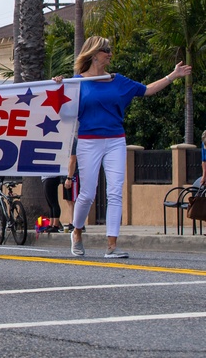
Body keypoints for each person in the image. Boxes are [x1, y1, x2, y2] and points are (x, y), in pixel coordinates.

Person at [58, 35, 191, 258]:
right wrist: (59, 88)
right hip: (88, 142)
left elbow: (146, 90)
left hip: (116, 141)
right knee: (88, 194)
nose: (109, 53)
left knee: (114, 192)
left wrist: (173, 75)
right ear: (93, 54)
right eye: (105, 50)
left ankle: (111, 245)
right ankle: (77, 231)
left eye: (109, 50)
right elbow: (63, 113)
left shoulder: (118, 80)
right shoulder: (76, 83)